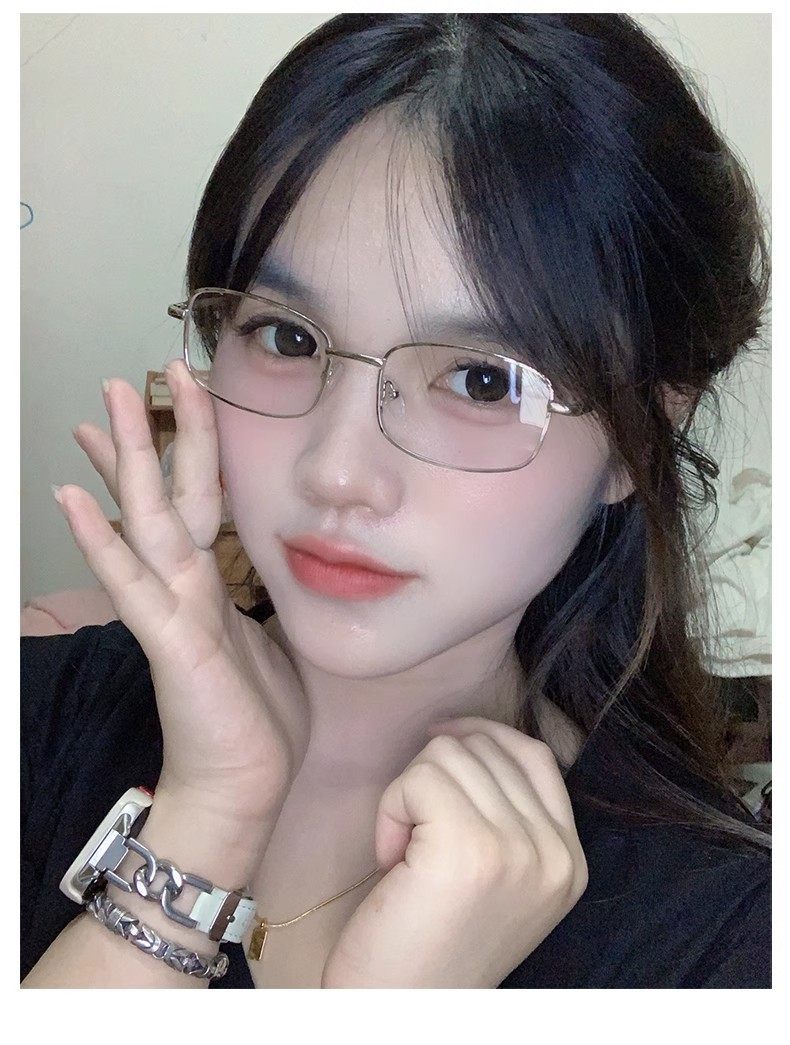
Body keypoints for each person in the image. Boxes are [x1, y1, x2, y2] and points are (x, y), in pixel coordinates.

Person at [21, 13, 770, 988]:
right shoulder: (36, 714)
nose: (337, 473)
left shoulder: (723, 944)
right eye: (287, 337)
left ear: (641, 437)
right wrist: (204, 822)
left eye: (483, 381)